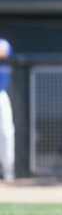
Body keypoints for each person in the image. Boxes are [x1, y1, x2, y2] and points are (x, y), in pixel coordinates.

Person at [0, 38, 14, 183]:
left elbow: (3, 53)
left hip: (0, 93)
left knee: (6, 132)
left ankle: (8, 171)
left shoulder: (3, 43)